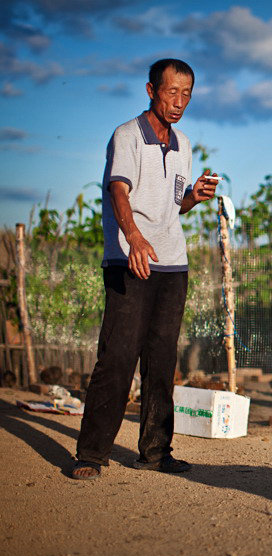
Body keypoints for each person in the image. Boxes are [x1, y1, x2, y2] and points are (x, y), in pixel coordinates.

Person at [71, 59, 219, 480]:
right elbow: (118, 191)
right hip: (129, 258)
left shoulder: (184, 144)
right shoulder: (127, 135)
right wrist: (134, 237)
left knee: (161, 359)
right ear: (151, 90)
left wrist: (193, 196)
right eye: (171, 92)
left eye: (186, 94)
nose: (179, 102)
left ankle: (155, 451)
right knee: (117, 356)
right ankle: (91, 454)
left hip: (173, 263)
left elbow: (173, 206)